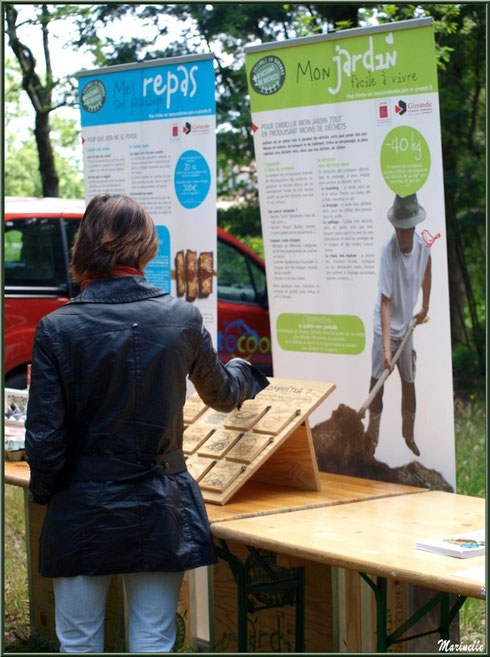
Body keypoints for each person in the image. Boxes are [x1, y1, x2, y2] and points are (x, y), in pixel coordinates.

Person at [25, 194, 269, 653]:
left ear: (85, 246)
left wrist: (47, 494)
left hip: (81, 504)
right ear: (146, 246)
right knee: (153, 639)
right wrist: (247, 371)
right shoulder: (181, 318)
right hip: (160, 504)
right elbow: (222, 395)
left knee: (78, 642)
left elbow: (45, 440)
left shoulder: (57, 328)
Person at [366, 193, 431, 457]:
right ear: (395, 228)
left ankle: (409, 435)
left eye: (407, 229)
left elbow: (427, 271)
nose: (403, 235)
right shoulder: (387, 253)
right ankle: (371, 438)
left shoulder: (422, 247)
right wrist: (386, 349)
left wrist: (425, 306)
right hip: (386, 329)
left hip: (406, 329)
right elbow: (384, 302)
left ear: (413, 227)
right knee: (376, 383)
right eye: (399, 229)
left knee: (409, 381)